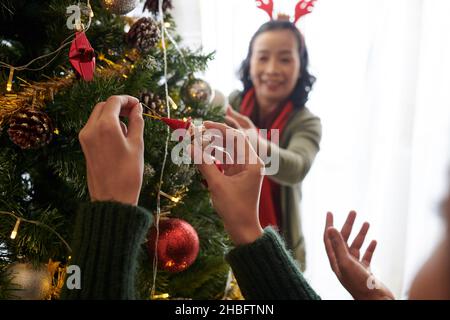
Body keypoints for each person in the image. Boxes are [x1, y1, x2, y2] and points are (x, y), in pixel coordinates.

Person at [64, 95, 449, 300]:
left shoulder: (306, 120)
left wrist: (111, 213)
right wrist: (246, 227)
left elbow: (296, 163)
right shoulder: (238, 101)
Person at [226, 20, 322, 268]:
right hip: (224, 241)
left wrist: (254, 142)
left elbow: (297, 167)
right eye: (263, 57)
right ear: (250, 63)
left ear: (300, 68)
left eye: (285, 59)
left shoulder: (305, 122)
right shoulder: (232, 105)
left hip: (282, 251)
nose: (272, 69)